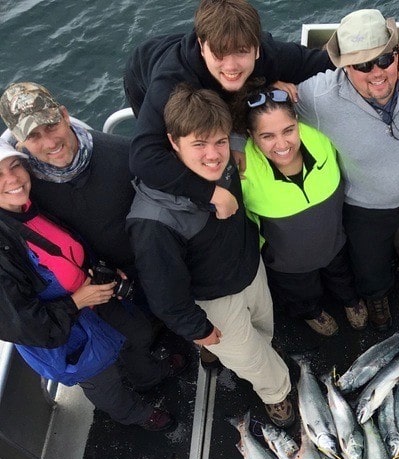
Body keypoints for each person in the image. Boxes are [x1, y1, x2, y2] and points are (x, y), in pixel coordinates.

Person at [126, 84, 295, 427]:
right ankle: (276, 394)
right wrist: (198, 329)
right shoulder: (153, 223)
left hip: (249, 268)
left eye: (219, 141)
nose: (213, 155)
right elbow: (164, 294)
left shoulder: (227, 161)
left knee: (264, 328)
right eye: (198, 144)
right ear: (173, 142)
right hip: (213, 302)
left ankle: (226, 352)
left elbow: (233, 136)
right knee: (254, 361)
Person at [0, 142, 183, 432]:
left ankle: (150, 375)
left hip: (96, 305)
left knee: (131, 341)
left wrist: (102, 269)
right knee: (104, 381)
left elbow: (71, 246)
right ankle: (134, 413)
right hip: (68, 338)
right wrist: (76, 302)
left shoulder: (31, 204)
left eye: (15, 166)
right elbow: (26, 325)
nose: (11, 179)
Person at [296, 9, 399, 330]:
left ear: (397, 54)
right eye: (362, 65)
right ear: (344, 66)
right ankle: (377, 297)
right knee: (369, 266)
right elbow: (262, 87)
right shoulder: (317, 97)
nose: (376, 72)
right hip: (363, 205)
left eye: (384, 59)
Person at [123, 0, 334, 221]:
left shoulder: (269, 54)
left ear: (257, 49)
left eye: (242, 51)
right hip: (145, 73)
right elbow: (143, 156)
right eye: (220, 53)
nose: (231, 66)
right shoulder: (170, 85)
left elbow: (323, 62)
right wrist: (211, 194)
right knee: (183, 147)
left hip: (203, 63)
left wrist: (264, 85)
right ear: (202, 47)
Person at [241, 87, 367, 336]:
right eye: (267, 136)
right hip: (288, 263)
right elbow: (242, 221)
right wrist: (265, 250)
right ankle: (312, 312)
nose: (282, 144)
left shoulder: (321, 137)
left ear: (297, 122)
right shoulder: (242, 168)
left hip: (334, 244)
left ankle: (350, 301)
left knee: (343, 278)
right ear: (251, 135)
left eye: (288, 130)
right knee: (301, 294)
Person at [0, 82, 139, 278]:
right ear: (18, 138)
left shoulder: (125, 154)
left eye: (51, 126)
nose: (50, 142)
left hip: (146, 264)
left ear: (65, 116)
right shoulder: (21, 183)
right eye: (33, 135)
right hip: (92, 279)